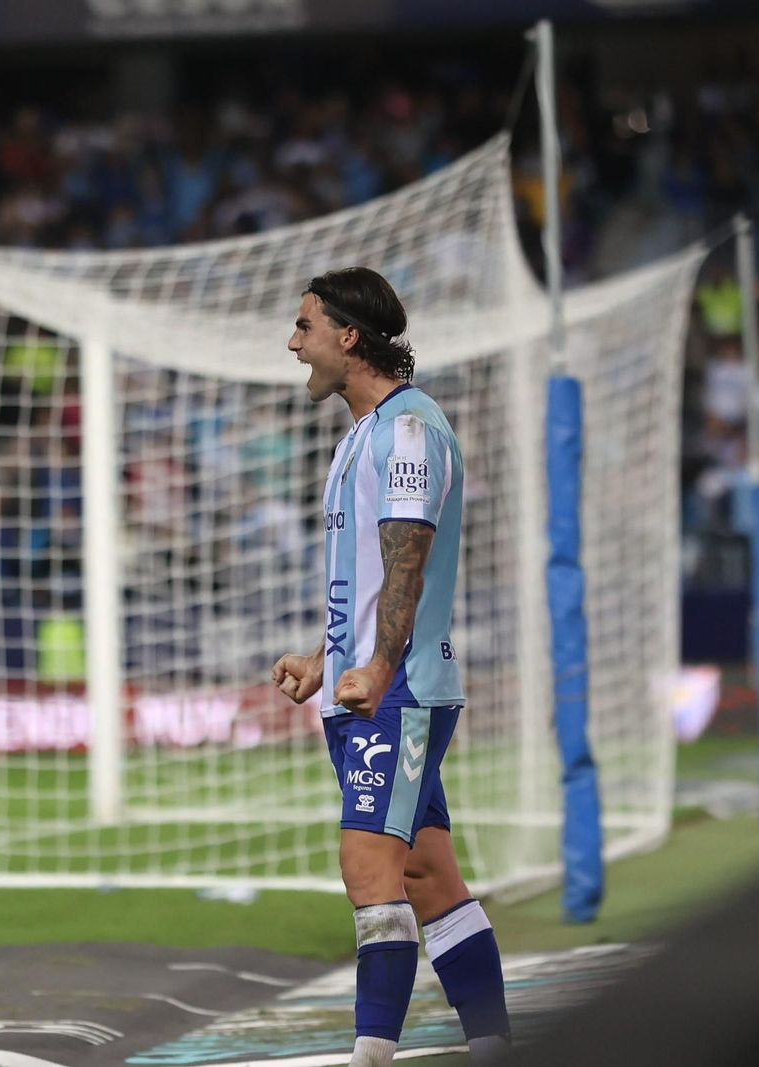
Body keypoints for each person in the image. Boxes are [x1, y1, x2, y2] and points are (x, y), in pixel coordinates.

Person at [272, 268, 509, 1067]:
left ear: (348, 336)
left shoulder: (409, 431)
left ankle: (370, 1059)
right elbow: (371, 580)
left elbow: (408, 562)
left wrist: (376, 667)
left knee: (367, 864)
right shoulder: (364, 433)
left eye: (305, 326)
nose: (293, 341)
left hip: (397, 693)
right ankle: (495, 1046)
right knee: (429, 875)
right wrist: (325, 655)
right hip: (377, 682)